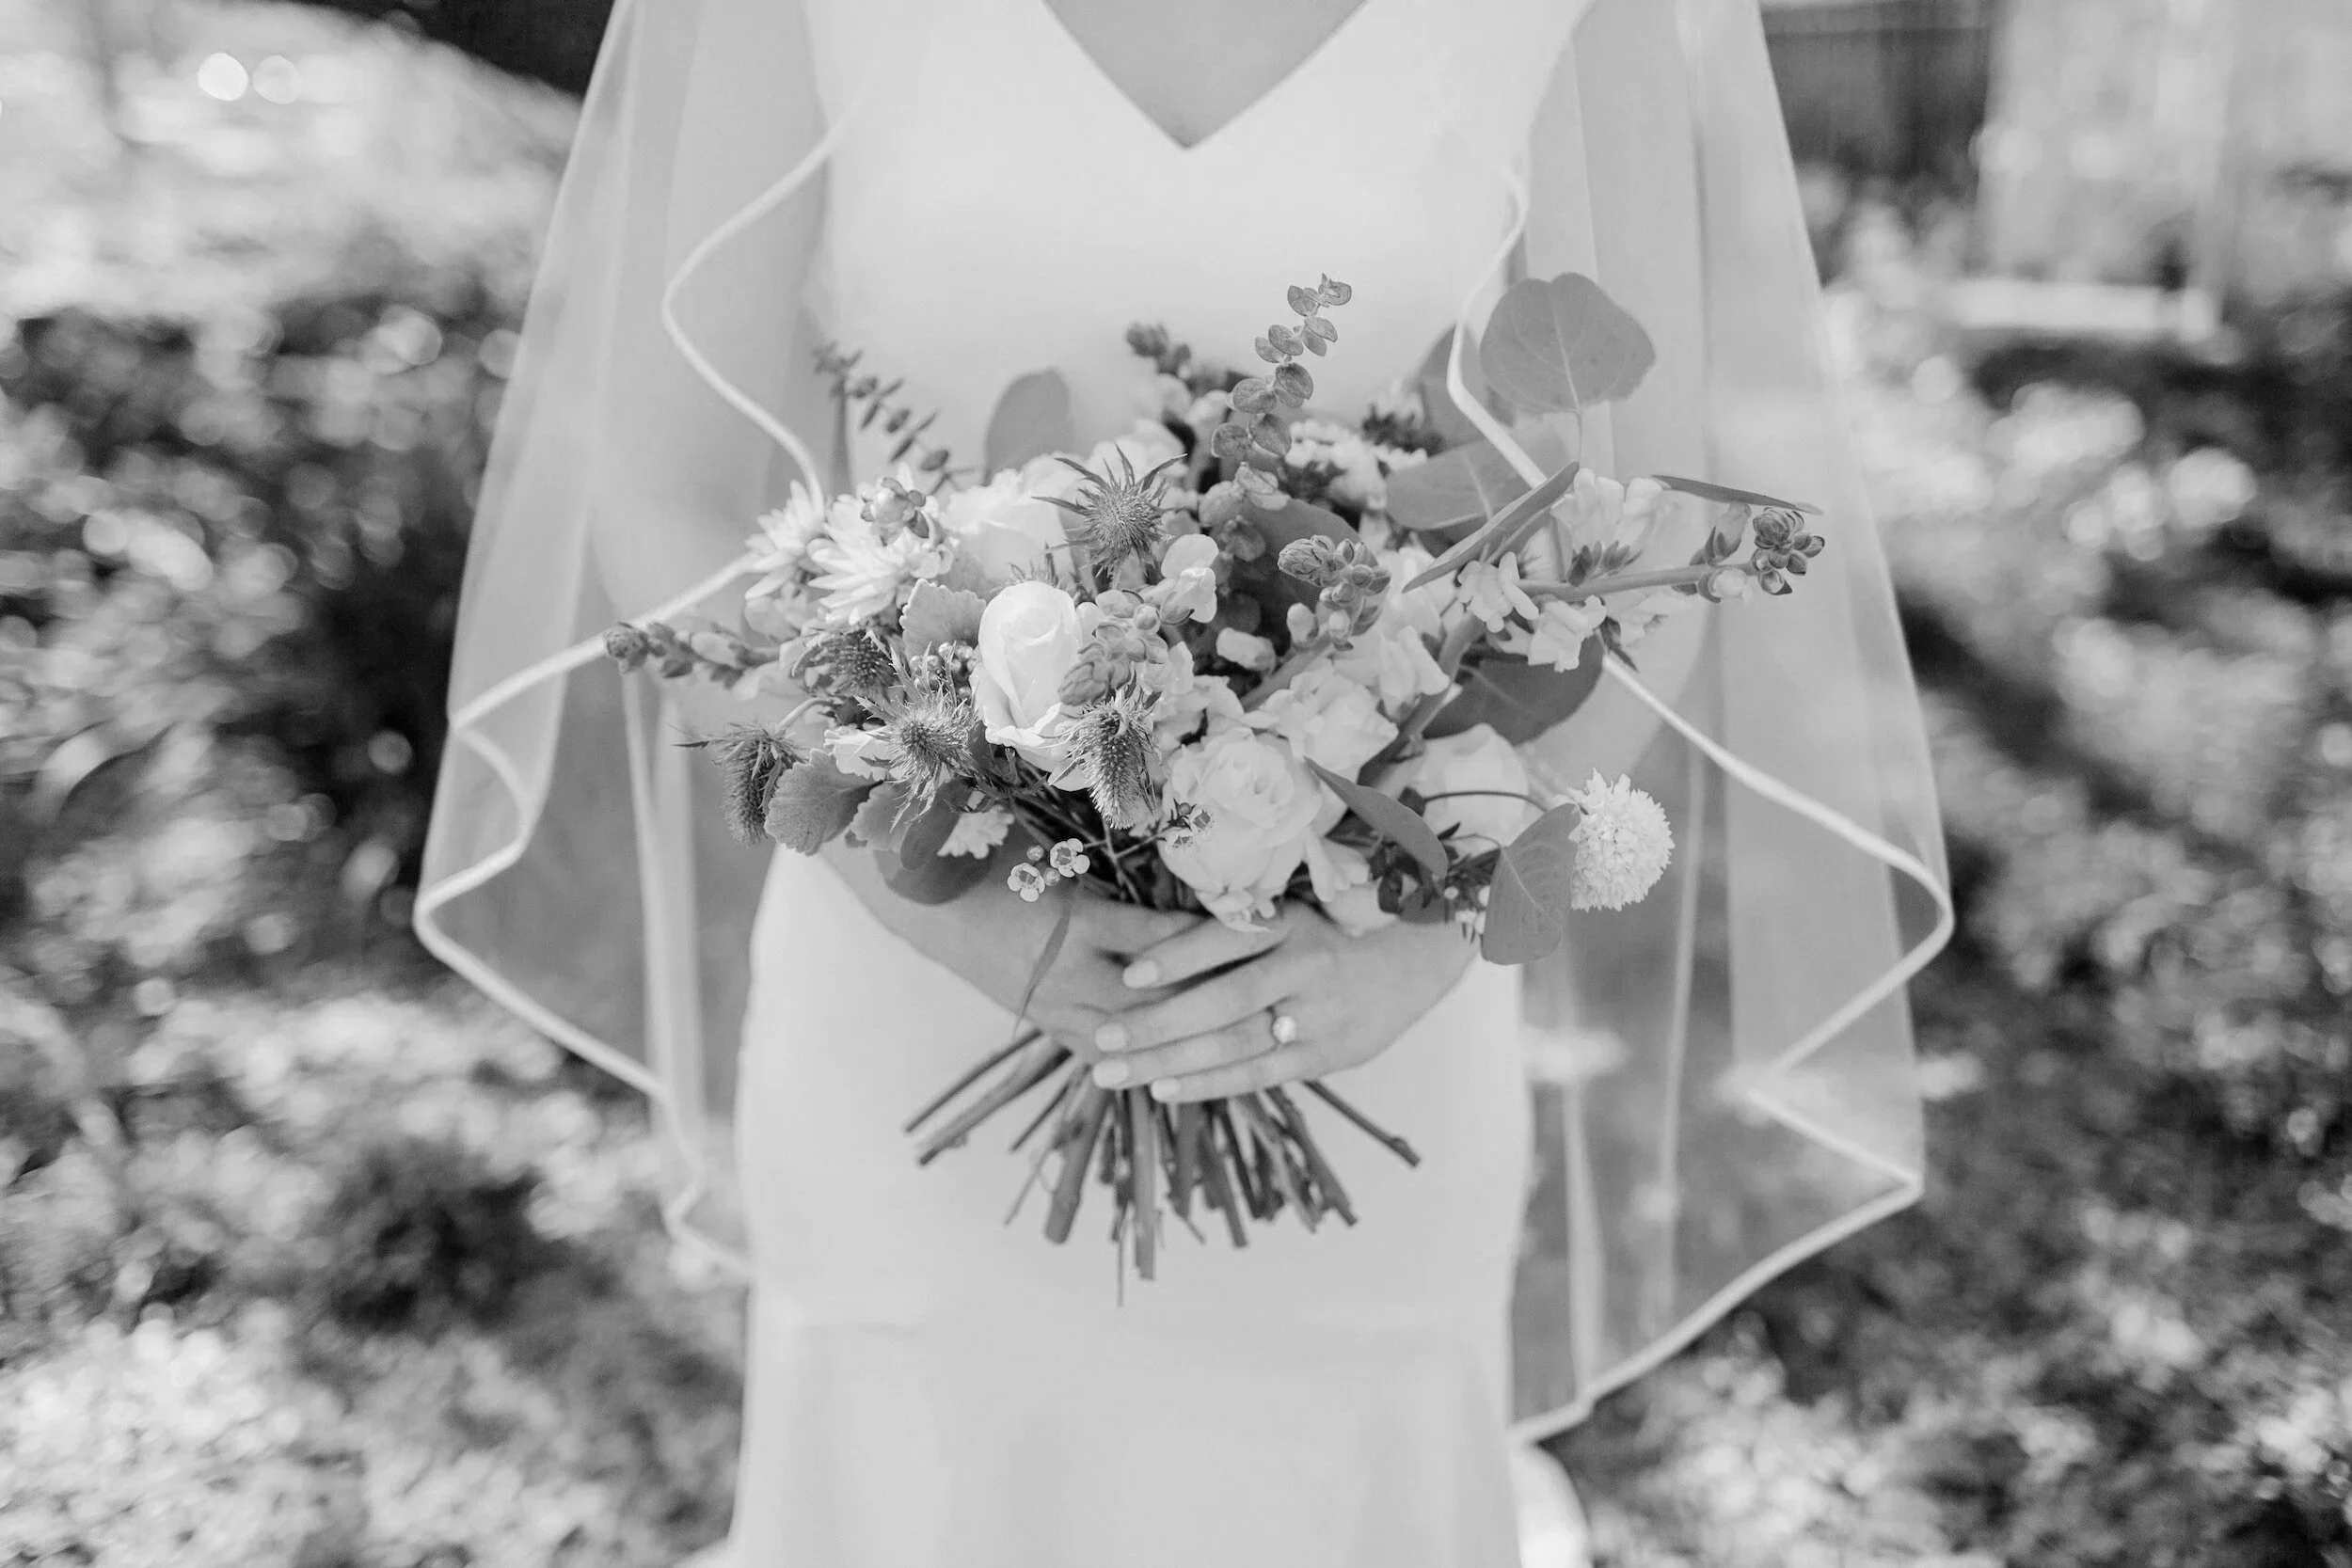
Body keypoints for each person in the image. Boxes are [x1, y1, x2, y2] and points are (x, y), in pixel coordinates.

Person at [417, 0, 1953, 1563]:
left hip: (1366, 978)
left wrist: (1420, 939)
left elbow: (1652, 531)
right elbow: (659, 491)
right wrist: (952, 906)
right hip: (912, 958)